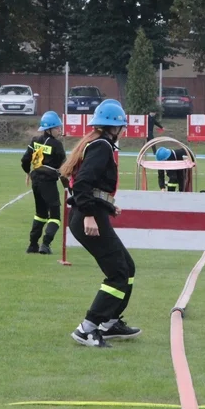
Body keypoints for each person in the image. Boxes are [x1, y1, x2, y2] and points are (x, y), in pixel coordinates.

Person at [60, 99, 141, 347]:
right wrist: (89, 214)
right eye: (122, 127)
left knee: (127, 268)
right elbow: (82, 183)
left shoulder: (97, 143)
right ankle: (87, 328)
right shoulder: (103, 146)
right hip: (88, 218)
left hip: (93, 213)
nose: (123, 131)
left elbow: (82, 184)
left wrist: (106, 206)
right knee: (118, 273)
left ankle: (109, 322)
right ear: (113, 128)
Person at [21, 111, 68, 255]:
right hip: (48, 183)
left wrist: (28, 173)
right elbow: (63, 169)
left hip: (36, 182)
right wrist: (67, 187)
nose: (60, 130)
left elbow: (24, 160)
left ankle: (33, 245)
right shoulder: (57, 145)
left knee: (40, 214)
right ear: (49, 129)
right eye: (57, 128)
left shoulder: (35, 141)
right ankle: (45, 244)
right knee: (55, 216)